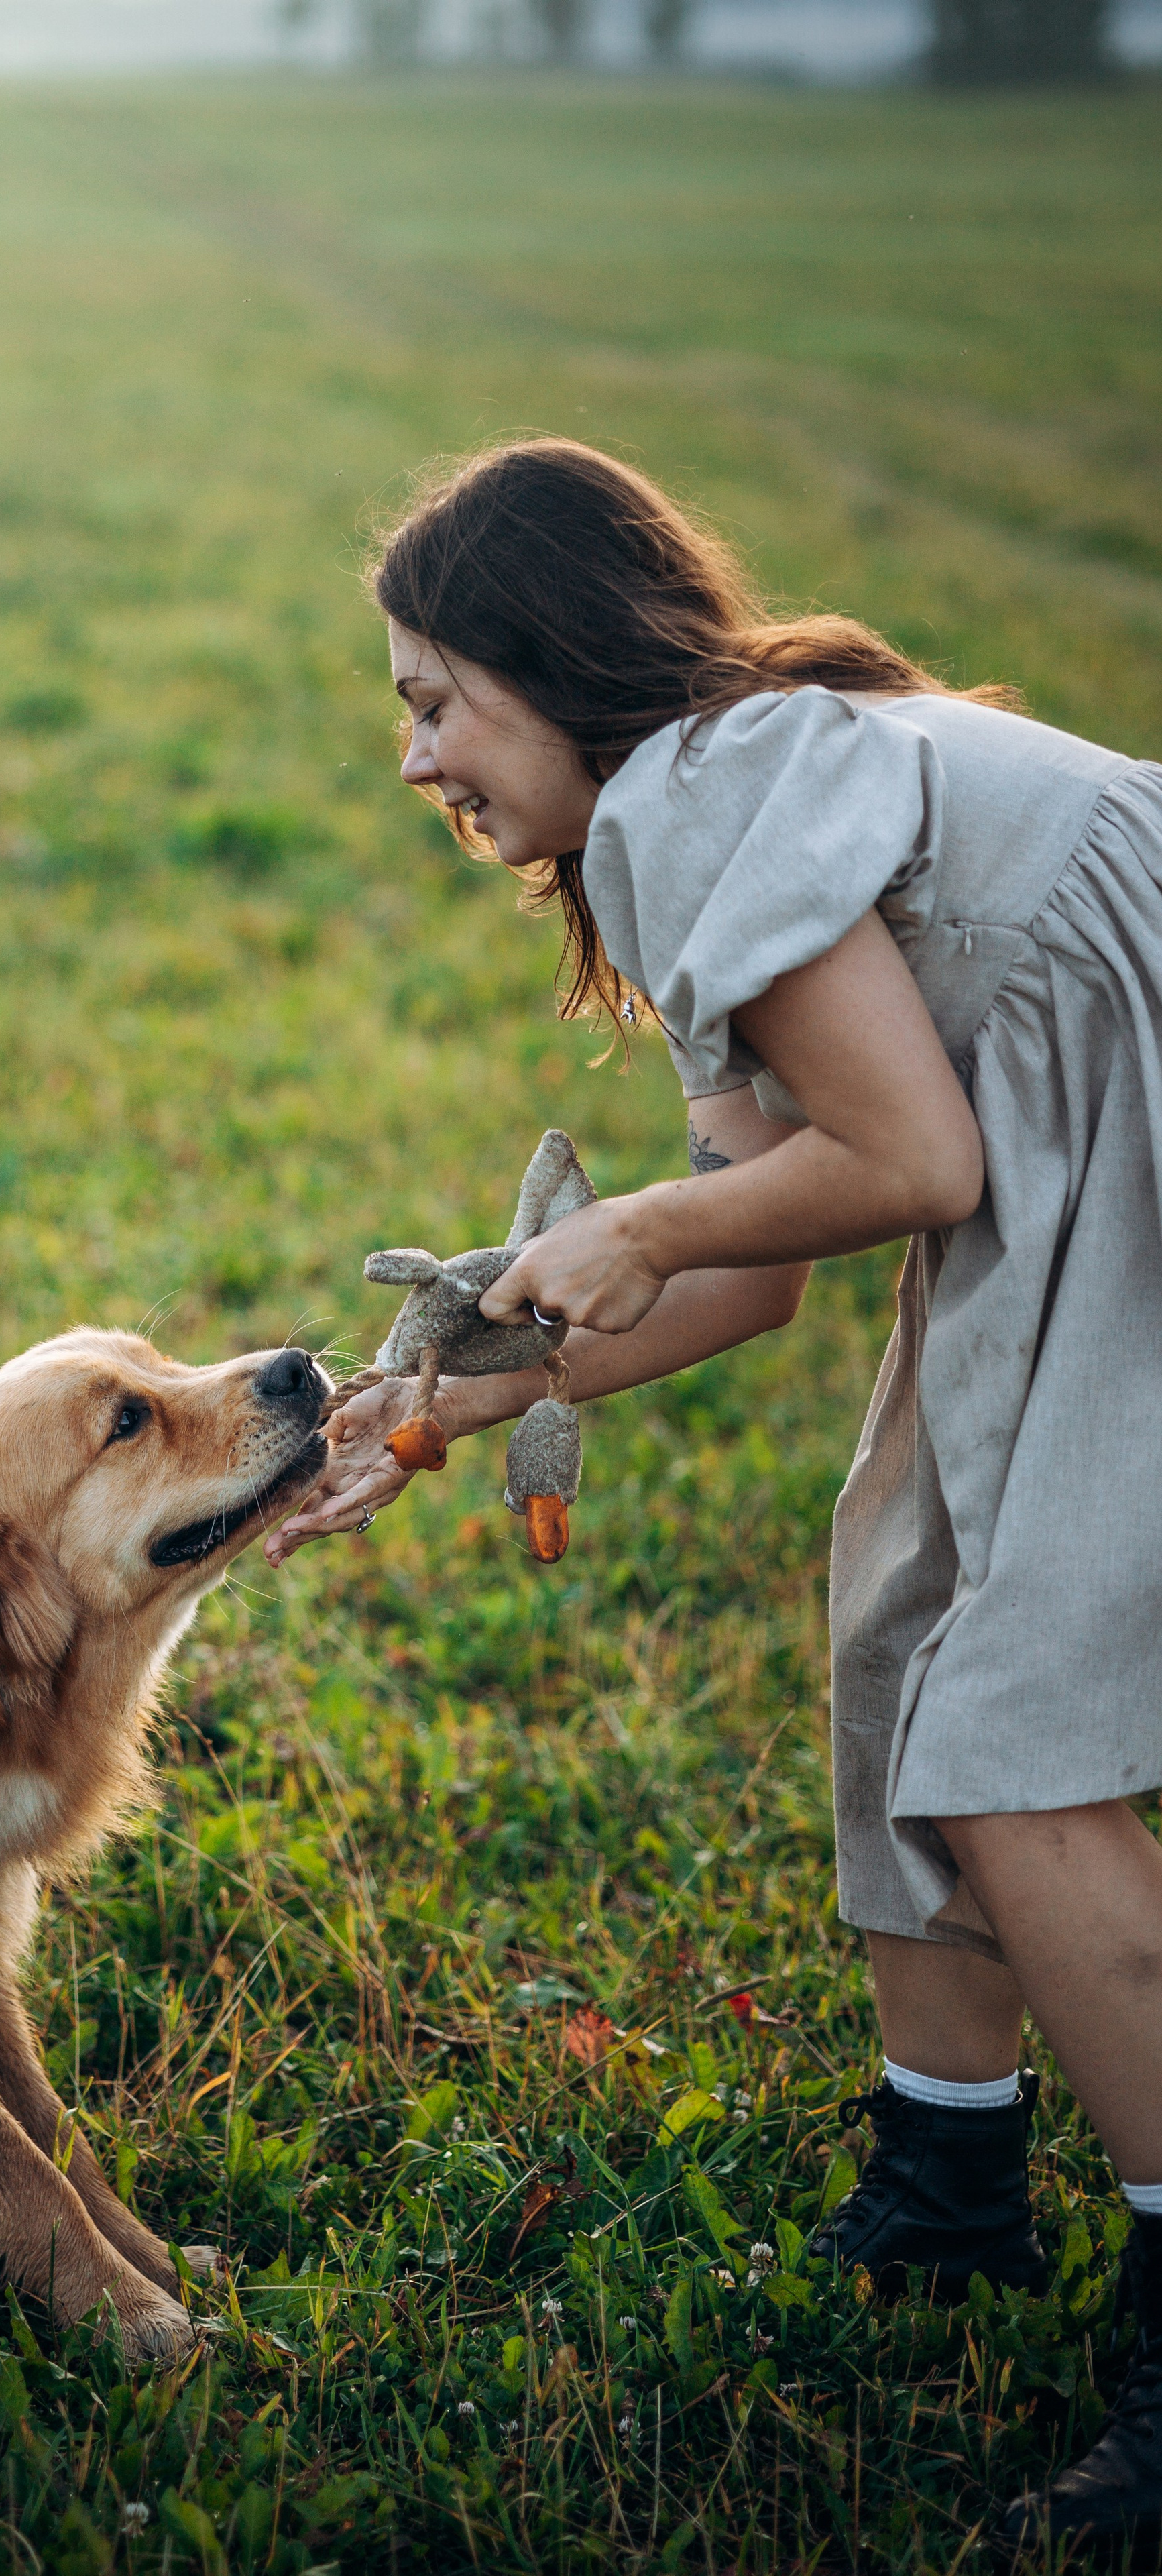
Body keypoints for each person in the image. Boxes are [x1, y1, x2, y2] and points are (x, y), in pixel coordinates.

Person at [264, 437, 1162, 2551]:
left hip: (1123, 1143)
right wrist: (437, 1399)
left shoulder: (705, 785)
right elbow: (763, 1261)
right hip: (1076, 1157)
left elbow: (908, 1166)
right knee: (903, 1631)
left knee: (1013, 1734)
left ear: (549, 655)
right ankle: (949, 2183)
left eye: (434, 700)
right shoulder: (696, 807)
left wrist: (642, 1224)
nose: (415, 760)